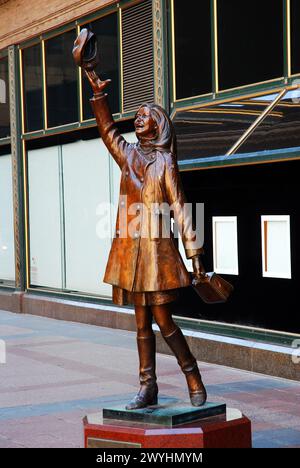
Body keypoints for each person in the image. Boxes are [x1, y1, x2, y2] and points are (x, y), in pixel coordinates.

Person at [85, 70, 207, 410]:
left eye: (144, 117)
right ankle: (146, 386)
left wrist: (194, 256)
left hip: (157, 253)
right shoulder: (128, 155)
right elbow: (108, 130)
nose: (138, 120)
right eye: (136, 117)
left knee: (164, 320)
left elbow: (181, 208)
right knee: (140, 321)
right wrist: (98, 96)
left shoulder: (165, 161)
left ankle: (192, 374)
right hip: (130, 252)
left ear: (157, 125)